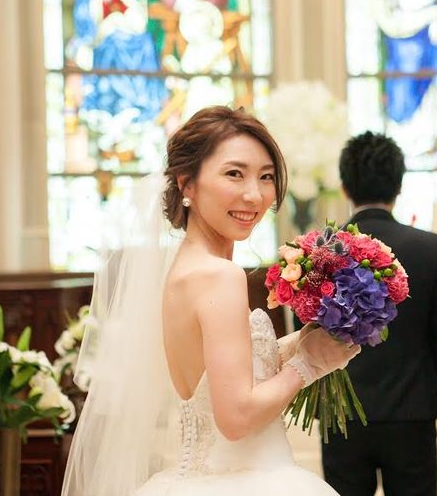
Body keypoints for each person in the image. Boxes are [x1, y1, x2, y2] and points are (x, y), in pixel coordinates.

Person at [62, 106, 360, 496]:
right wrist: (309, 363)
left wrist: (298, 344)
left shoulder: (183, 268)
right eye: (234, 173)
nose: (254, 194)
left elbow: (217, 375)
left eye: (266, 177)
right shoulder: (220, 276)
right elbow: (235, 418)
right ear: (187, 184)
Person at [322, 131, 437, 496]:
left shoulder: (321, 252)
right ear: (399, 185)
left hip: (343, 414)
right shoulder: (430, 248)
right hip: (411, 408)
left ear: (345, 187)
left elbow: (308, 329)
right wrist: (422, 381)